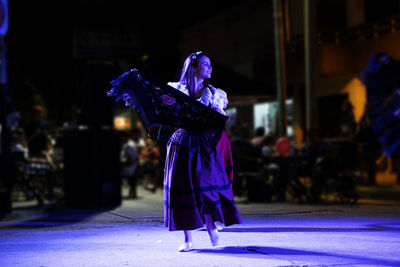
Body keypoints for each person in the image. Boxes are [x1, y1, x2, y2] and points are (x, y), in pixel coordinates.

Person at [164, 51, 242, 251]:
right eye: (205, 64)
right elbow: (168, 117)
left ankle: (210, 225)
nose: (210, 68)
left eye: (210, 64)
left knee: (207, 189)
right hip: (181, 143)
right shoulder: (175, 91)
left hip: (205, 145)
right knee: (183, 191)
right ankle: (188, 239)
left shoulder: (216, 94)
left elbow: (217, 122)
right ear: (193, 67)